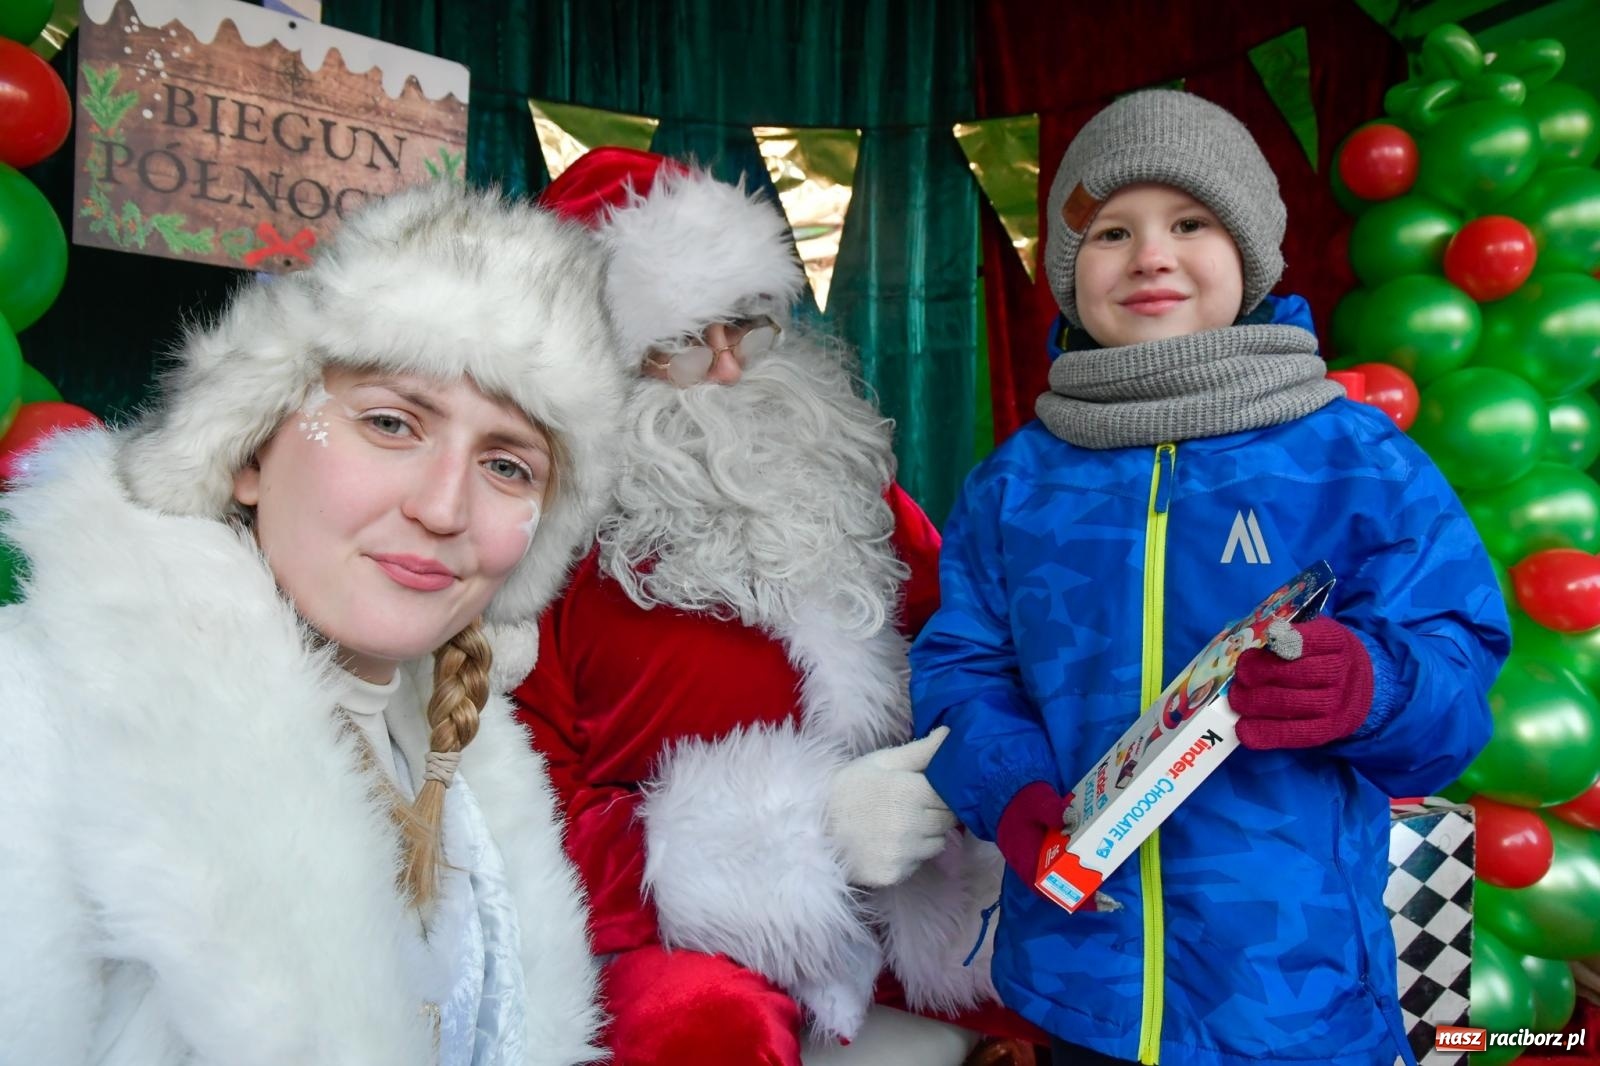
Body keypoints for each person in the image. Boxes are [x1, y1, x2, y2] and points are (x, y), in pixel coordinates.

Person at [910, 90, 1510, 1066]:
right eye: (1111, 231)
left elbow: (1457, 675)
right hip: (1079, 986)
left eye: (1189, 222)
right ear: (1068, 273)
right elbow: (961, 668)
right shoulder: (1014, 481)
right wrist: (1007, 786)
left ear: (1249, 253)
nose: (1151, 255)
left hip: (1288, 991)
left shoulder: (1350, 455)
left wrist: (1370, 683)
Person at [0, 181, 628, 1065]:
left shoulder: (470, 761)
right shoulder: (31, 715)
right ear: (251, 448)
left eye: (508, 466)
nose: (446, 507)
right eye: (390, 422)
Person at [516, 148, 1032, 1066]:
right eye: (680, 340)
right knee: (707, 1026)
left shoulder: (849, 491)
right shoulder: (540, 542)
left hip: (911, 900)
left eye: (746, 325)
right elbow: (524, 807)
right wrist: (805, 836)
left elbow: (966, 653)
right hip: (676, 925)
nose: (726, 369)